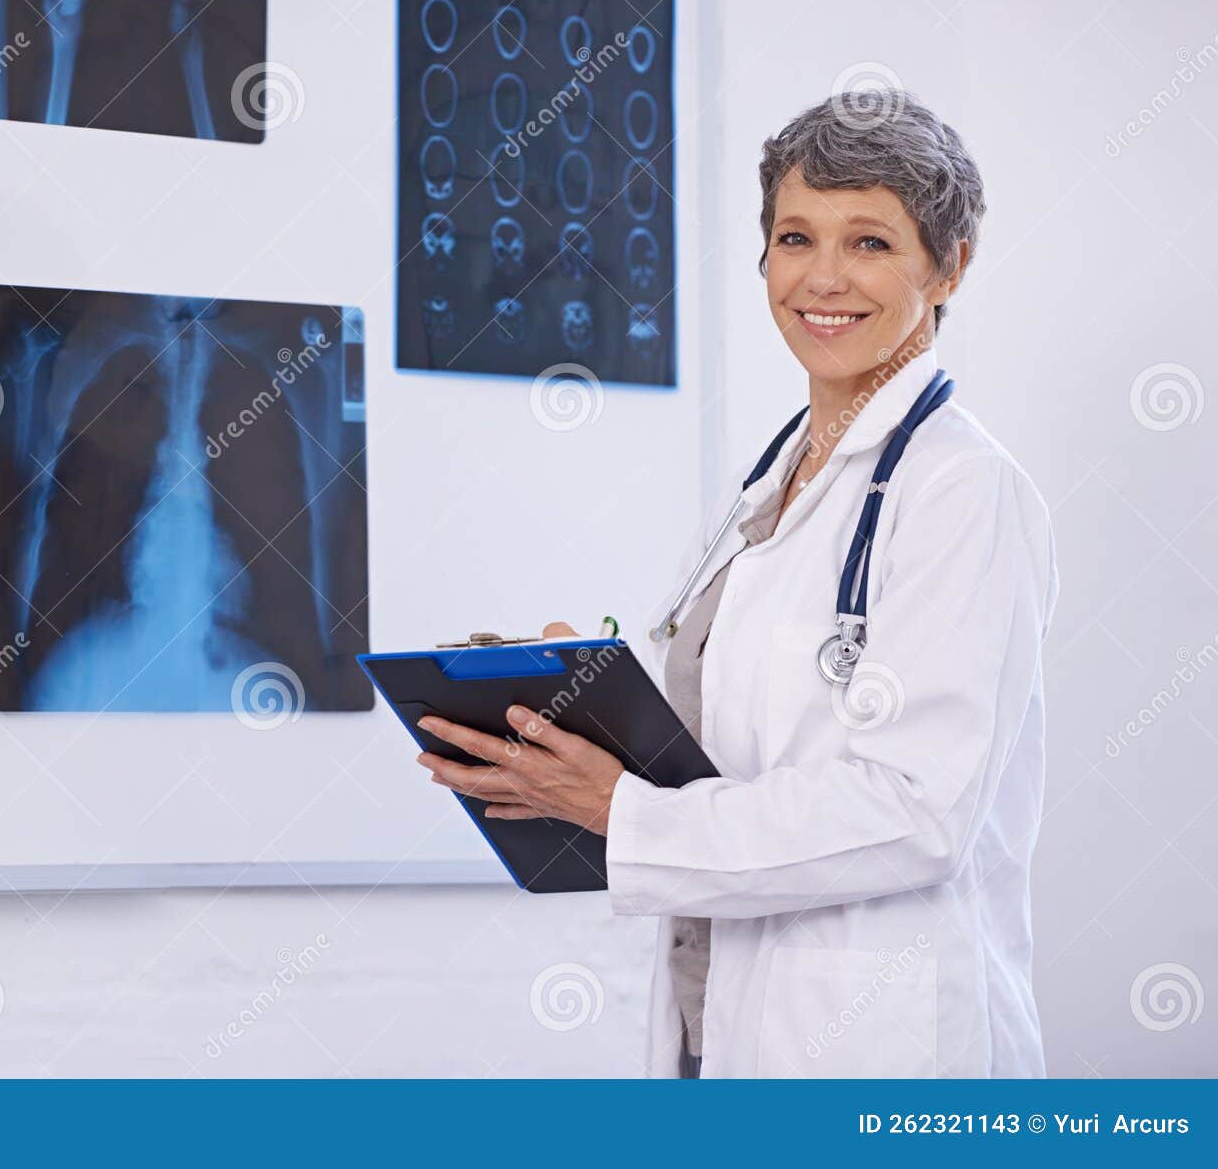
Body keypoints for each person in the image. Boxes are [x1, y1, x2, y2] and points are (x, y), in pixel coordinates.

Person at [415, 89, 1059, 1078]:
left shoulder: (961, 491)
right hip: (717, 1016)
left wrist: (620, 813)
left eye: (871, 243)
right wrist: (573, 704)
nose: (823, 277)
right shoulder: (769, 481)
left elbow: (915, 813)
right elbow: (733, 736)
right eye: (795, 236)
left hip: (879, 1051)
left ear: (949, 267)